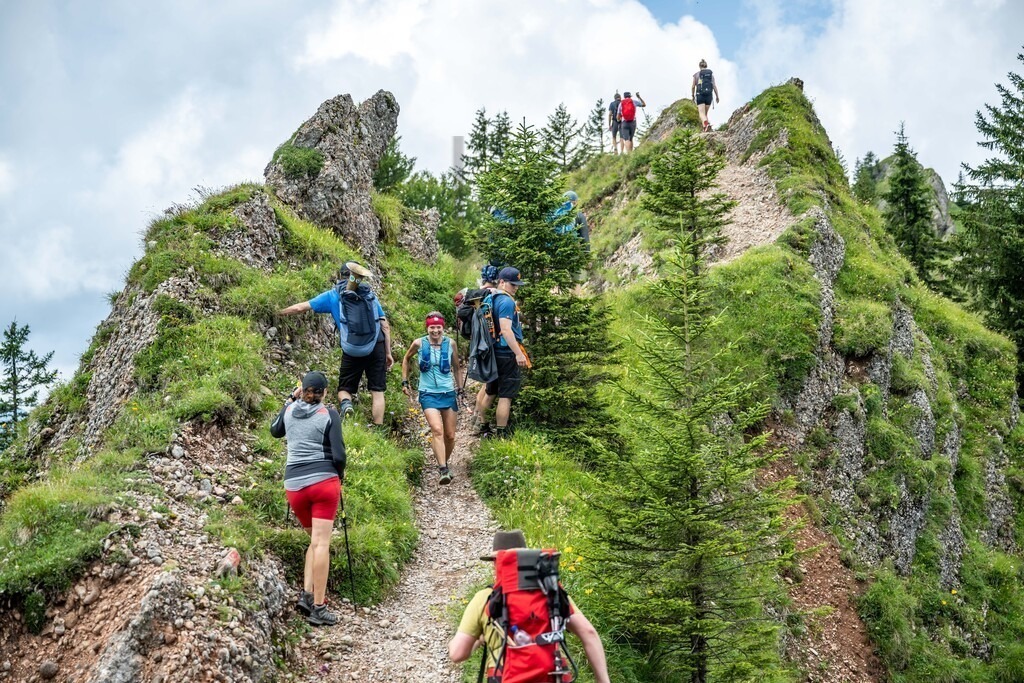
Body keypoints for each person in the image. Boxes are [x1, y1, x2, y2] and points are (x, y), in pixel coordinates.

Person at [448, 529, 612, 683]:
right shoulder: (552, 592)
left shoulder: (485, 598)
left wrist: (480, 638)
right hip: (553, 676)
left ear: (496, 563)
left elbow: (457, 654)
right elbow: (588, 633)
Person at [278, 261, 395, 429]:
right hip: (376, 346)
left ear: (340, 277)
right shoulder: (369, 295)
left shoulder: (333, 295)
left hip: (352, 349)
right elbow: (385, 325)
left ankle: (347, 405)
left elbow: (300, 308)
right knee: (377, 391)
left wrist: (278, 312)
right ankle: (378, 429)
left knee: (344, 388)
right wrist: (388, 352)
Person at [270, 371, 345, 627]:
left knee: (313, 542)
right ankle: (319, 608)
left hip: (294, 487)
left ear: (302, 390)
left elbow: (274, 430)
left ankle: (306, 594)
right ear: (325, 392)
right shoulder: (329, 414)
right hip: (323, 483)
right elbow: (339, 456)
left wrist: (290, 399)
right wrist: (340, 479)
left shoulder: (289, 411)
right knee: (321, 544)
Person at [401, 311, 462, 485]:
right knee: (437, 429)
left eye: (438, 327)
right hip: (427, 392)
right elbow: (406, 359)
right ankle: (443, 469)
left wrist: (460, 388)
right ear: (427, 328)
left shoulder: (450, 343)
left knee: (450, 436)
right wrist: (404, 382)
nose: (435, 331)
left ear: (443, 327)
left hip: (448, 393)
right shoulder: (419, 343)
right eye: (432, 327)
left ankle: (443, 461)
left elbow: (457, 368)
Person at [471, 267, 528, 439]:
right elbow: (506, 329)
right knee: (506, 395)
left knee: (490, 391)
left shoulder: (490, 297)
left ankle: (482, 426)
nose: (515, 288)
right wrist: (518, 353)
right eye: (513, 284)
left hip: (491, 351)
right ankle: (501, 435)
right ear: (502, 282)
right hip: (506, 352)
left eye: (517, 284)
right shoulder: (507, 302)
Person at [691, 59, 720, 132]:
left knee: (701, 113)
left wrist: (693, 95)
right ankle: (706, 127)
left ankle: (706, 125)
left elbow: (693, 86)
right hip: (709, 96)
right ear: (706, 65)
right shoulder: (710, 75)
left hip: (700, 95)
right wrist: (717, 96)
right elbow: (714, 86)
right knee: (705, 114)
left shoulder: (696, 75)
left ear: (699, 66)